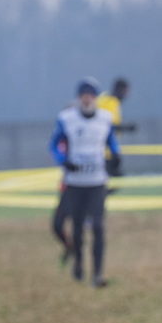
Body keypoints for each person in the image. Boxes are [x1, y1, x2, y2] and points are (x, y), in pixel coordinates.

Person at [49, 78, 118, 287]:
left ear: (95, 97)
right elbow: (53, 144)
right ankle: (78, 263)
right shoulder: (67, 119)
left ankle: (98, 274)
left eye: (90, 95)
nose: (87, 99)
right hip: (74, 183)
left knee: (98, 226)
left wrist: (115, 157)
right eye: (83, 95)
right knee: (76, 227)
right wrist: (63, 161)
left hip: (97, 182)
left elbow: (111, 142)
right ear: (79, 97)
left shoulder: (105, 119)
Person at [96, 77, 136, 178]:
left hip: (102, 149)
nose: (127, 95)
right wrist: (127, 128)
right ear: (121, 90)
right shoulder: (111, 102)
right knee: (113, 178)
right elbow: (109, 127)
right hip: (106, 151)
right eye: (126, 91)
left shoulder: (103, 97)